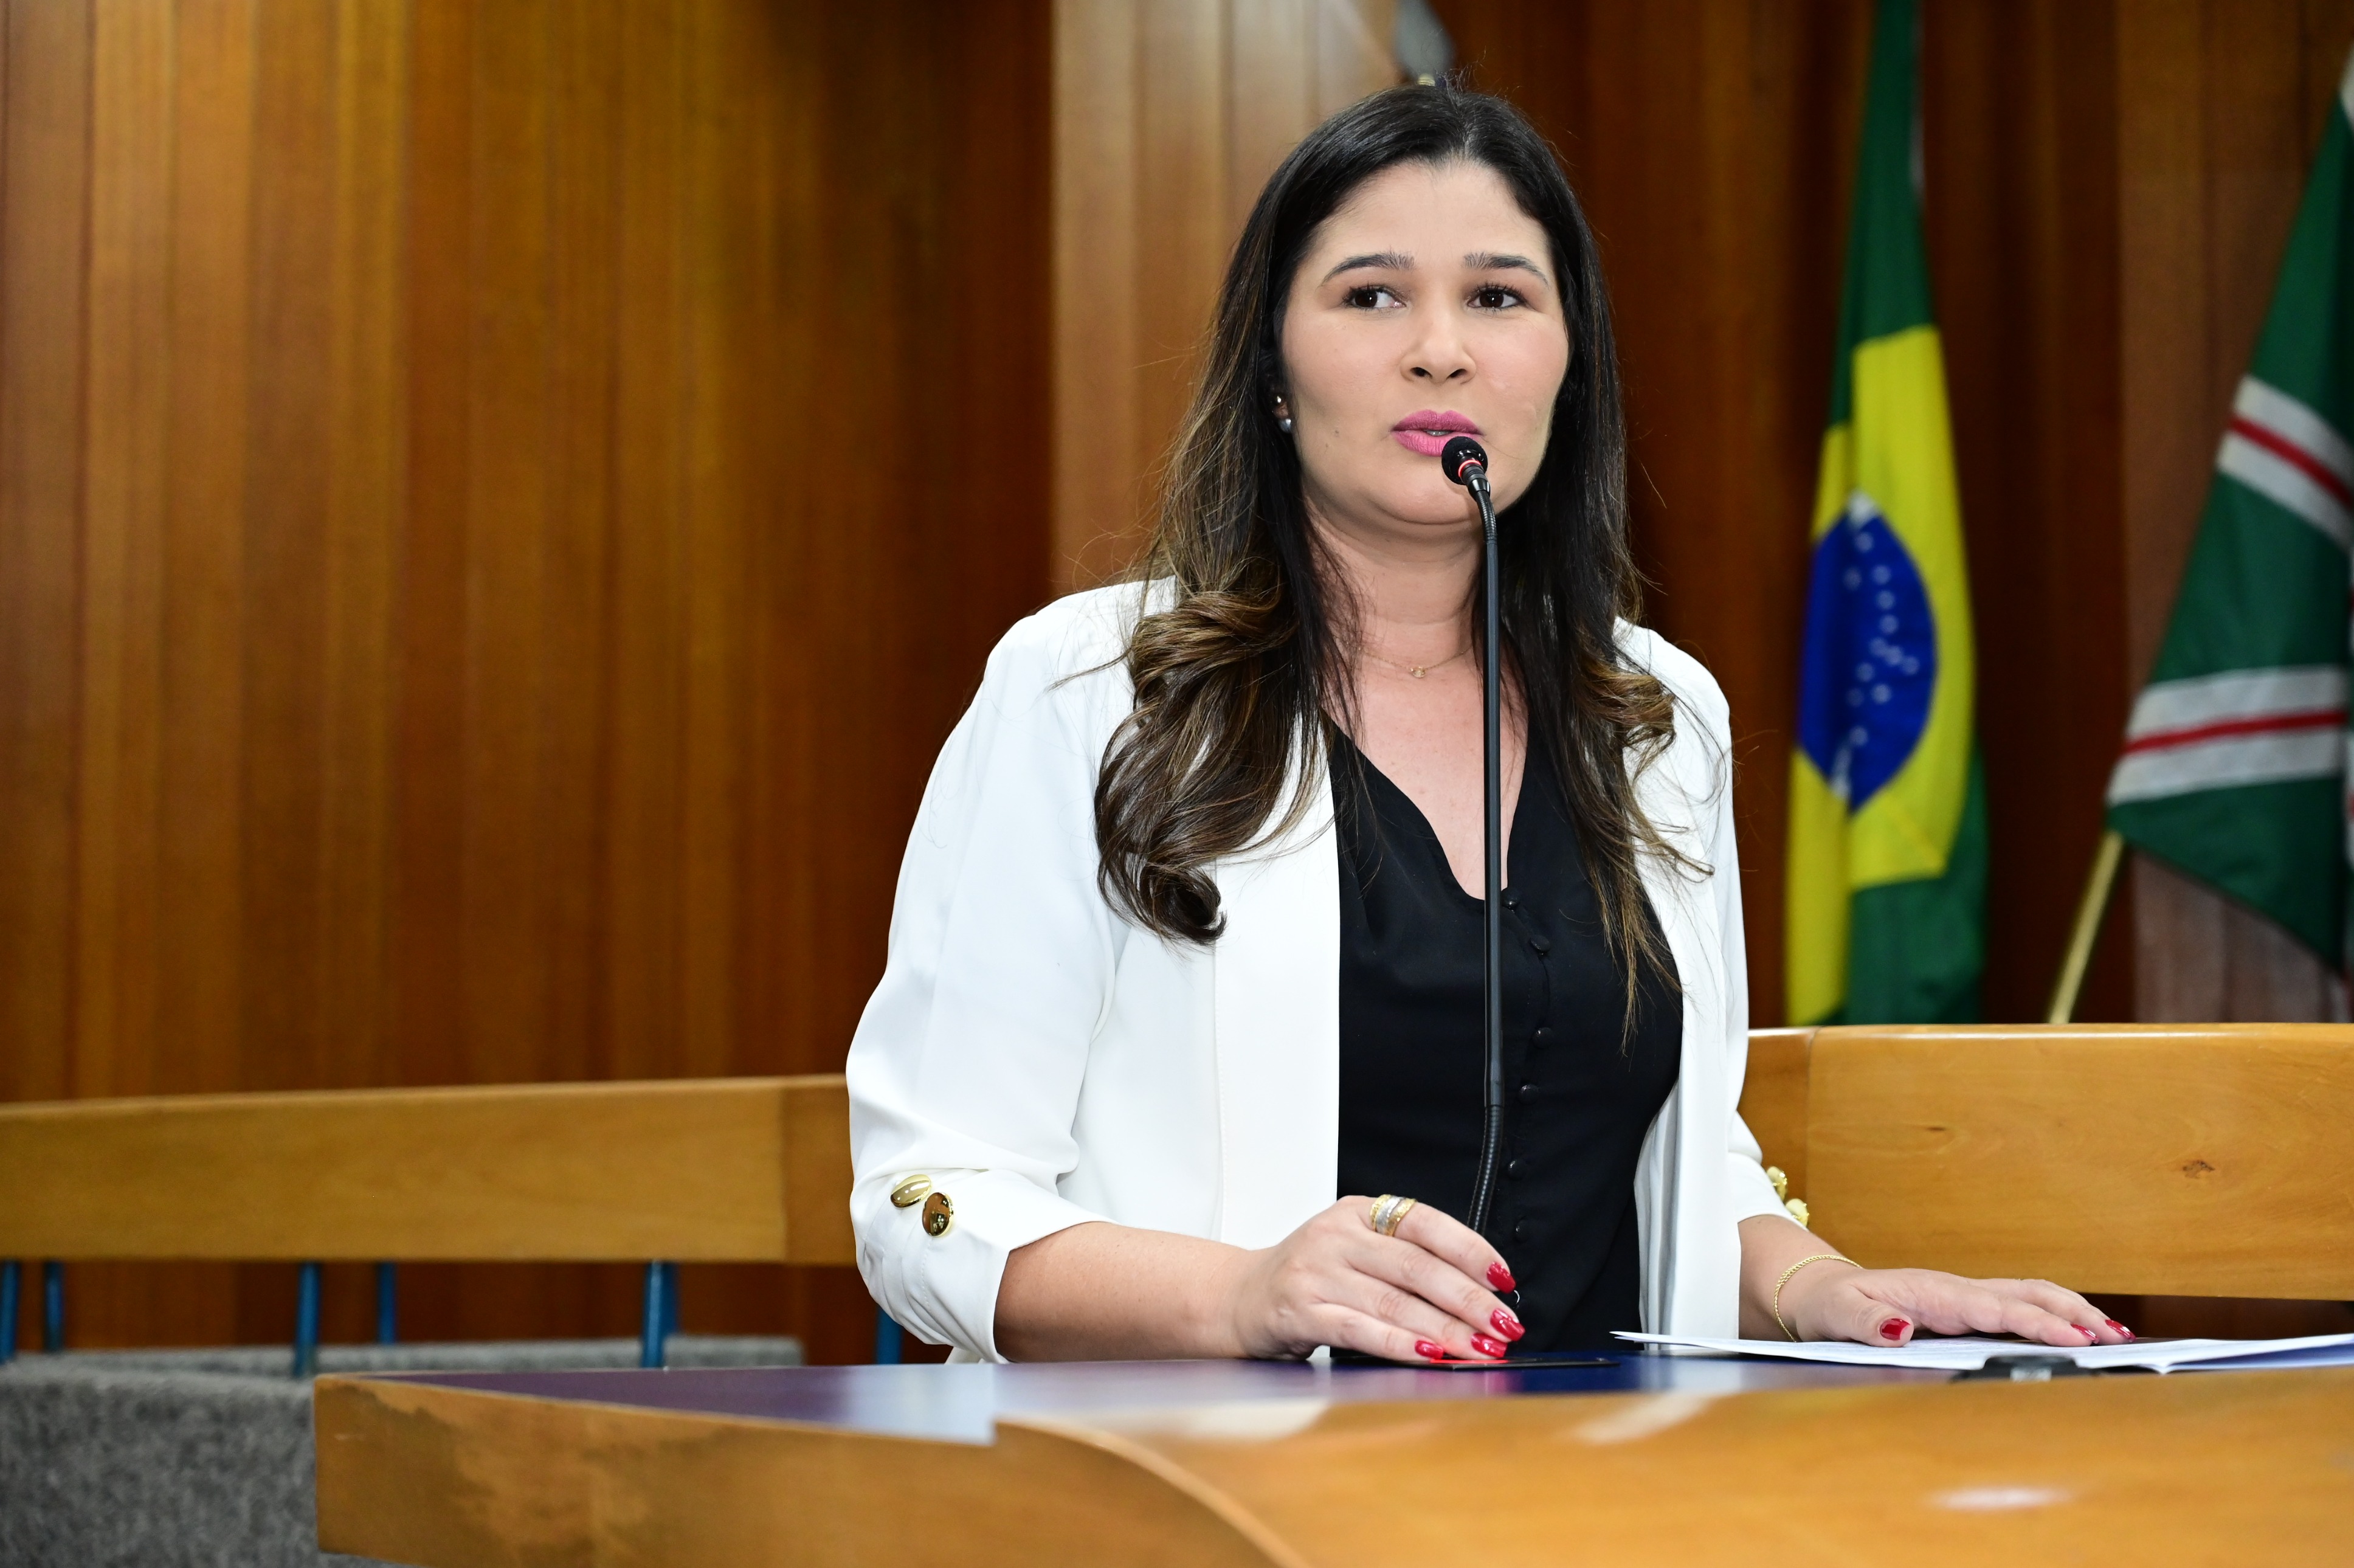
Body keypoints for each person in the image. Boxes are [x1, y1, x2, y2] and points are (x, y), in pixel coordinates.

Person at [846, 83, 2130, 1364]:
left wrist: (1820, 1289)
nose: (1440, 350)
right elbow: (930, 1199)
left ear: (1568, 365)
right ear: (1273, 369)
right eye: (1371, 295)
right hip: (1203, 1466)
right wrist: (1243, 1297)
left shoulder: (1657, 717)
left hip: (1604, 1467)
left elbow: (1677, 1164)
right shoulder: (1094, 689)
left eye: (1499, 297)